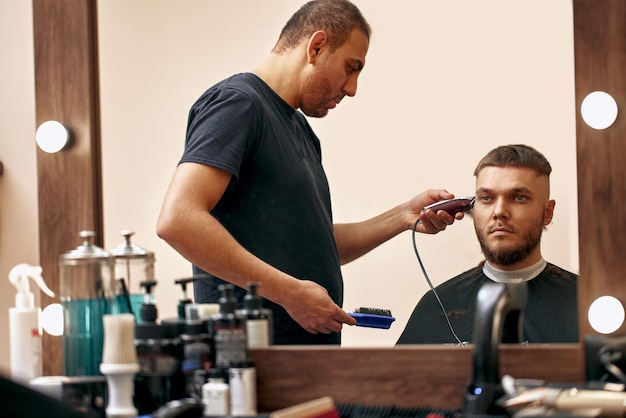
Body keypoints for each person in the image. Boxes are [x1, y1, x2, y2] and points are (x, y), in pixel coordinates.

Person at [156, 0, 461, 345]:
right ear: (316, 47)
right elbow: (178, 220)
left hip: (306, 361)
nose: (352, 88)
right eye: (351, 67)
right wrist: (289, 294)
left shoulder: (300, 130)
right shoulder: (239, 104)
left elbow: (312, 246)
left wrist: (403, 216)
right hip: (255, 362)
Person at [396, 144, 578, 345]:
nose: (499, 211)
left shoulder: (590, 306)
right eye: (486, 198)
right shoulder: (438, 307)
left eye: (519, 197)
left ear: (548, 212)